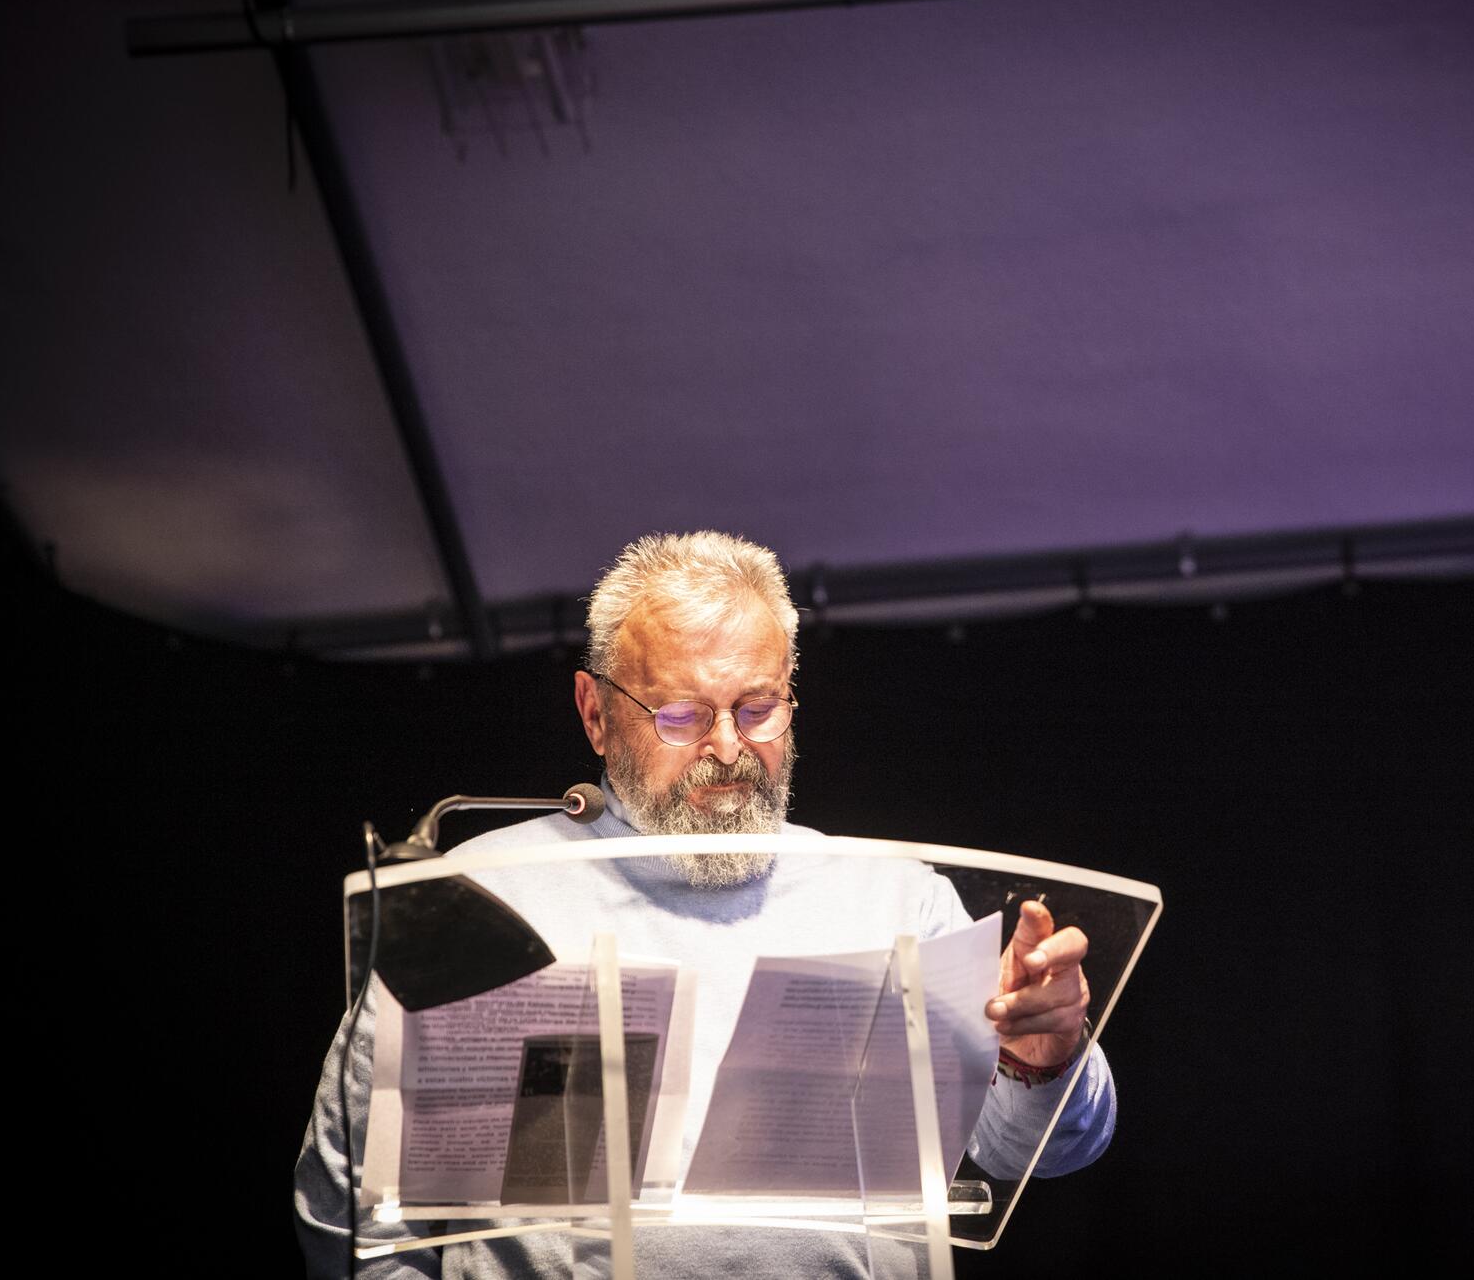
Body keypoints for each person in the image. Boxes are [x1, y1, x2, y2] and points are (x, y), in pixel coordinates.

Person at [295, 531, 1115, 1277]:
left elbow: (1037, 1150)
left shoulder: (893, 901)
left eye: (757, 708)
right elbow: (346, 1223)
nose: (727, 748)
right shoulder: (478, 899)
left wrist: (1042, 1060)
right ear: (596, 714)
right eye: (682, 714)